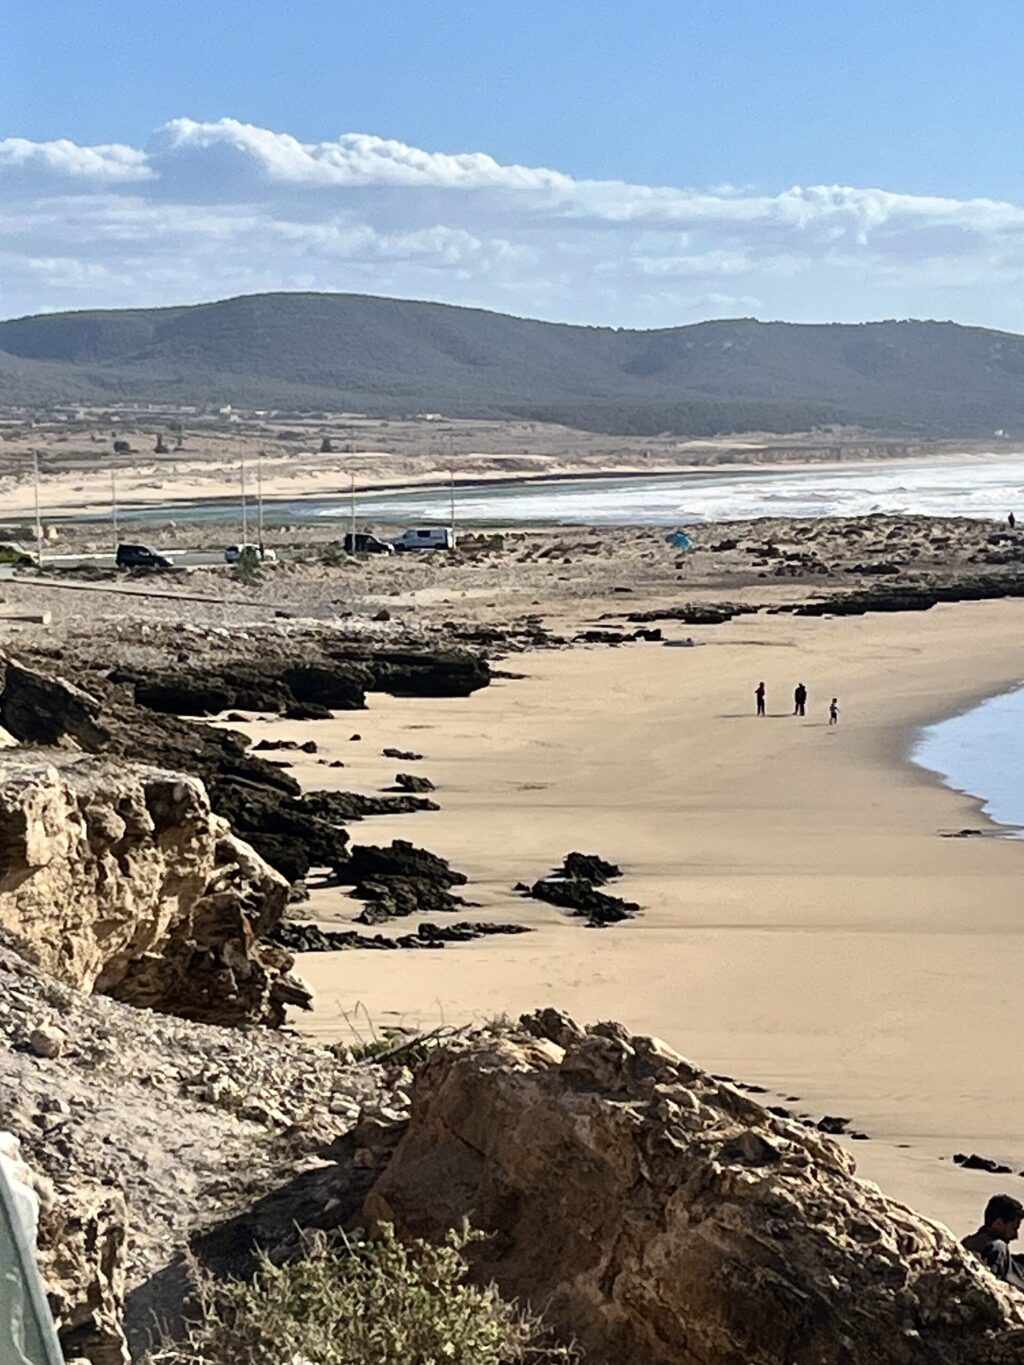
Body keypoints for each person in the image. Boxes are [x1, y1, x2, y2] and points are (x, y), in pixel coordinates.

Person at [963, 1195, 1024, 1289]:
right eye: (1014, 1228)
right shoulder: (997, 1248)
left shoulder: (969, 1241)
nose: (1015, 1236)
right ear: (999, 1223)